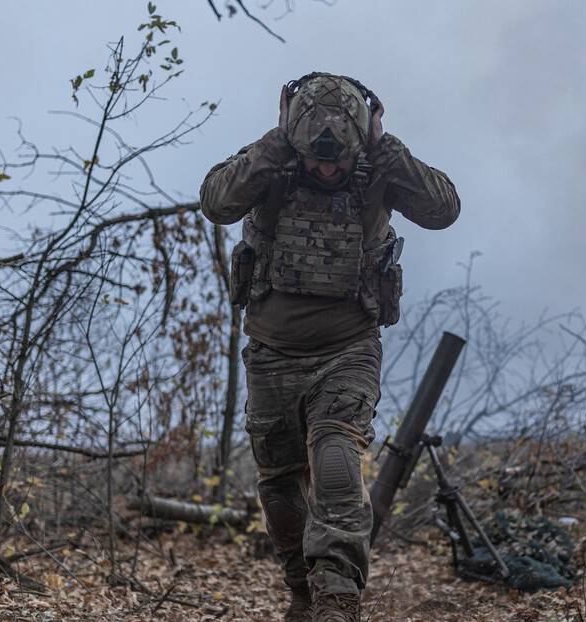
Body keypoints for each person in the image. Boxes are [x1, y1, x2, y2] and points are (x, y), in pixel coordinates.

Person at [200, 72, 459, 622]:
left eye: (337, 162)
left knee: (338, 463)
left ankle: (338, 599)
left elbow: (443, 210)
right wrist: (271, 147)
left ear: (359, 145)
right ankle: (303, 588)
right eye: (316, 161)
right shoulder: (274, 161)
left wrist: (391, 153)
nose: (325, 171)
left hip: (348, 348)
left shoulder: (378, 168)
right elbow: (215, 202)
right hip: (271, 353)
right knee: (280, 494)